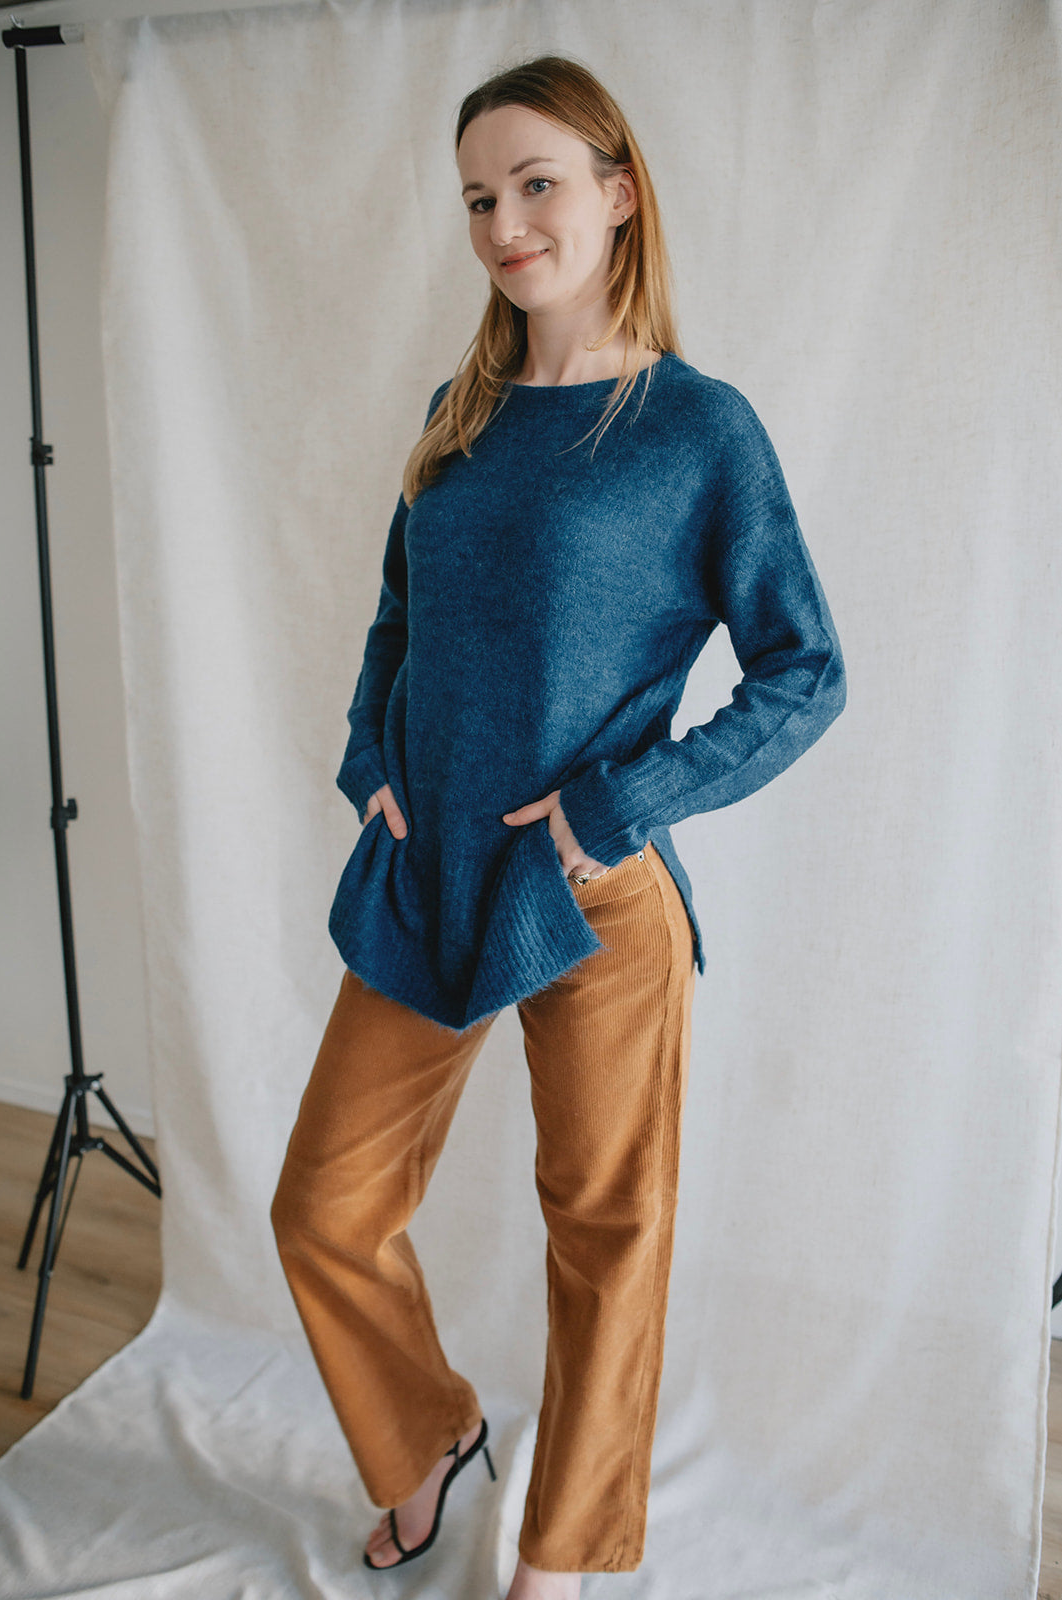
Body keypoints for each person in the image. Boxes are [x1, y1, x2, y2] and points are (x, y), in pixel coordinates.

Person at [271, 52, 846, 1600]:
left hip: (591, 899)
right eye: (477, 198)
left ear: (617, 191)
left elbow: (804, 669)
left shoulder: (697, 431)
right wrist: (370, 756)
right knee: (324, 1205)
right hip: (427, 876)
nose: (504, 225)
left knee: (604, 1232)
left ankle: (563, 1560)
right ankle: (428, 1441)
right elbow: (398, 620)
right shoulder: (457, 414)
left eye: (534, 185)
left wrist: (616, 802)